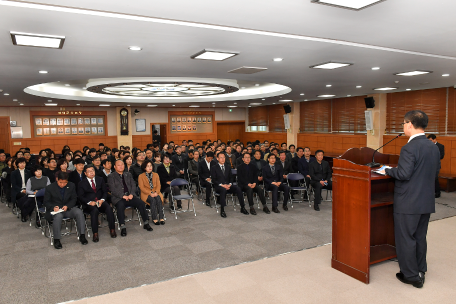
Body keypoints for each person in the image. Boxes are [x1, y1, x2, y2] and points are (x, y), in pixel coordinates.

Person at [380, 110, 440, 288]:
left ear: (410, 124)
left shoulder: (409, 147)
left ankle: (411, 275)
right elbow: (433, 172)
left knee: (406, 238)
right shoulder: (433, 147)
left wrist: (386, 170)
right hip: (425, 200)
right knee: (420, 237)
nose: (403, 126)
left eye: (404, 123)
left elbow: (404, 174)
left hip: (408, 202)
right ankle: (420, 268)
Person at [107, 159, 153, 237]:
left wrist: (132, 194)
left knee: (141, 203)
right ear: (114, 167)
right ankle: (123, 226)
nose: (121, 166)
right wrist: (122, 196)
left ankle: (146, 222)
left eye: (122, 165)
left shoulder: (128, 174)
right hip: (119, 198)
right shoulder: (111, 176)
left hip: (130, 196)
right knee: (120, 206)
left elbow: (133, 185)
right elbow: (112, 189)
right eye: (118, 165)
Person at [44, 171, 88, 249]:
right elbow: (46, 202)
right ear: (57, 179)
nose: (62, 184)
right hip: (56, 211)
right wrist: (53, 207)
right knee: (58, 217)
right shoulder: (49, 188)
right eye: (60, 182)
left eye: (65, 183)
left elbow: (74, 198)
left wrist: (67, 206)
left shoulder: (71, 185)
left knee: (79, 212)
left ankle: (82, 235)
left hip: (67, 209)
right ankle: (56, 239)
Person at [77, 164, 116, 242]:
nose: (91, 172)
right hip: (89, 204)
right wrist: (89, 202)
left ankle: (112, 229)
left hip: (100, 201)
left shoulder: (100, 179)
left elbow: (105, 192)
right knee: (94, 211)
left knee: (109, 208)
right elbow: (81, 196)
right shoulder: (81, 183)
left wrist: (102, 200)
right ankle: (95, 233)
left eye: (93, 170)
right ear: (85, 173)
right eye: (89, 171)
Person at [210, 152, 246, 218]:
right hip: (219, 186)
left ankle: (242, 207)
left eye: (224, 157)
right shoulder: (214, 168)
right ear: (217, 158)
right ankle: (222, 210)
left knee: (238, 189)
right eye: (221, 157)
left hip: (228, 185)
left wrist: (229, 184)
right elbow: (214, 180)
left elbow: (231, 177)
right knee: (223, 190)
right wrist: (222, 185)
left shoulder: (228, 167)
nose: (223, 159)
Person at [138, 160, 165, 225]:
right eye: (147, 166)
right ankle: (154, 218)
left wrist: (156, 192)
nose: (150, 167)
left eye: (151, 166)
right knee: (152, 200)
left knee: (158, 198)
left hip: (156, 192)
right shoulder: (141, 176)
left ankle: (161, 218)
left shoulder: (156, 175)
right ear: (144, 168)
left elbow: (158, 185)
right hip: (146, 194)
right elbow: (142, 187)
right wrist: (150, 193)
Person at [427, 134, 444, 198]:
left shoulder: (440, 146)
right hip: (427, 165)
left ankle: (437, 192)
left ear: (435, 139)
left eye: (431, 140)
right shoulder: (427, 146)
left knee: (435, 179)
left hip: (435, 165)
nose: (430, 142)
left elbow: (442, 156)